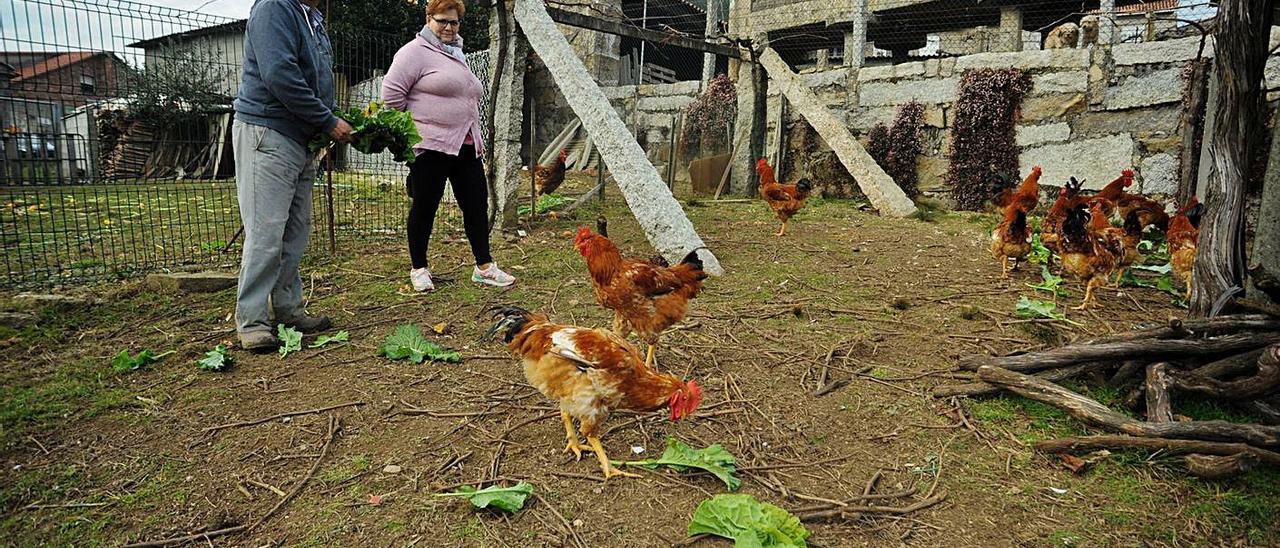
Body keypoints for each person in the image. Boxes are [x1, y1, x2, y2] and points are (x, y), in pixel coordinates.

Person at [231, 0, 353, 352]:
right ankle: (252, 321)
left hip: (300, 137)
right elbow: (280, 75)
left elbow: (315, 80)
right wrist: (327, 121)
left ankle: (287, 309)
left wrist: (329, 115)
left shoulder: (311, 18)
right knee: (266, 231)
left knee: (295, 230)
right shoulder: (274, 8)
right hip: (268, 131)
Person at [382, 0, 515, 292]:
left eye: (454, 22)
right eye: (442, 21)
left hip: (466, 143)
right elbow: (392, 95)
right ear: (429, 18)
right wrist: (415, 130)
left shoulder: (456, 53)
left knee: (476, 205)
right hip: (431, 145)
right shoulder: (414, 52)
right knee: (425, 205)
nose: (448, 27)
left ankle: (484, 267)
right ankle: (419, 268)